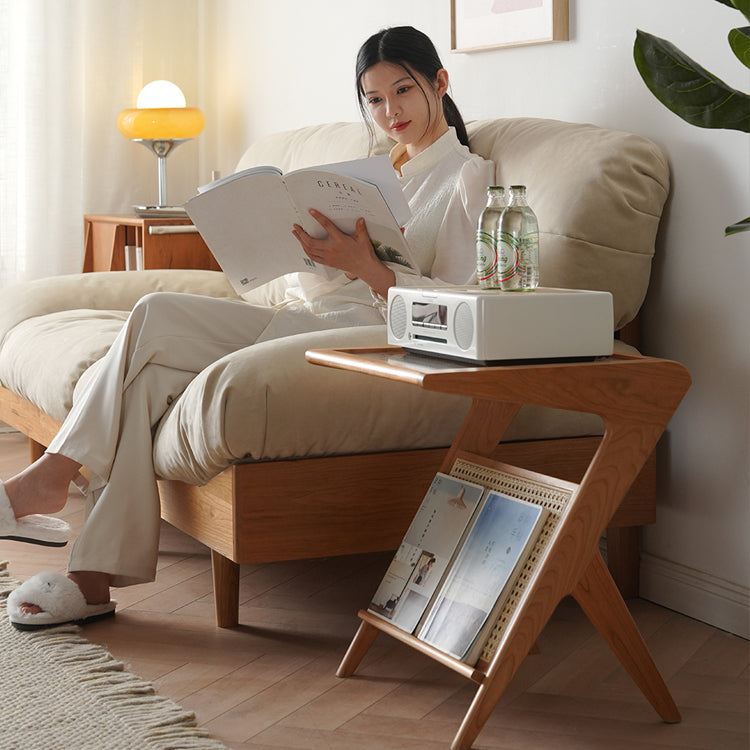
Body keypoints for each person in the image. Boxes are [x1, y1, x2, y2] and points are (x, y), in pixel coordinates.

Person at [1, 25, 495, 629]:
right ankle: (93, 579)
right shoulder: (368, 174)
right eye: (374, 99)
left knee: (154, 312)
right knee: (147, 376)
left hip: (371, 336)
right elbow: (316, 283)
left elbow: (468, 303)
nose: (390, 111)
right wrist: (308, 257)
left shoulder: (467, 179)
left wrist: (370, 271)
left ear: (440, 83)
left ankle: (50, 477)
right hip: (308, 317)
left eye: (404, 91)